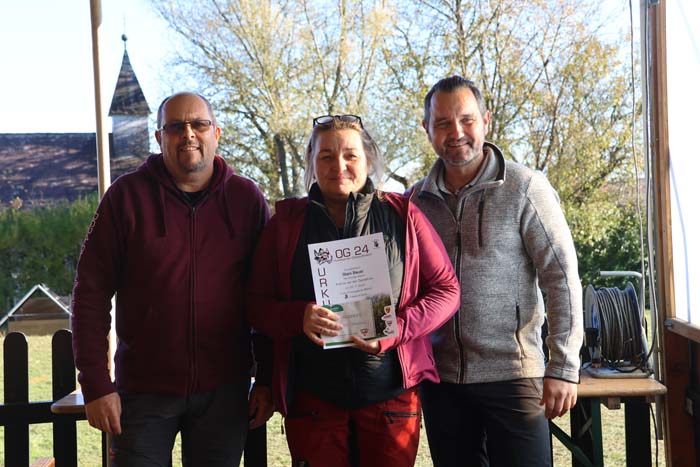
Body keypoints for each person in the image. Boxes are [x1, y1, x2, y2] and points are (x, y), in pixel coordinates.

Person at [71, 92, 274, 466]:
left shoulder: (246, 199)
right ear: (159, 137)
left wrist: (267, 379)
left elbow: (267, 294)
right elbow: (90, 294)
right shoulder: (126, 197)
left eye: (199, 124)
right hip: (142, 394)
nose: (188, 134)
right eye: (176, 126)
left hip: (224, 394)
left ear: (216, 133)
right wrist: (96, 384)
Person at [246, 114, 460, 467]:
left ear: (368, 159)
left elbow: (446, 290)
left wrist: (396, 330)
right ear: (312, 163)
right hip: (313, 400)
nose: (339, 166)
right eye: (326, 156)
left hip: (390, 398)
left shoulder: (403, 215)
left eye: (350, 155)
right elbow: (255, 304)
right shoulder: (285, 223)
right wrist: (298, 316)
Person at [411, 76, 584, 466]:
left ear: (485, 120)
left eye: (466, 120)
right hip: (442, 382)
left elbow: (561, 277)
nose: (456, 132)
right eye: (442, 123)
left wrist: (563, 366)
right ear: (427, 129)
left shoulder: (525, 187)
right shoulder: (414, 202)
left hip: (514, 376)